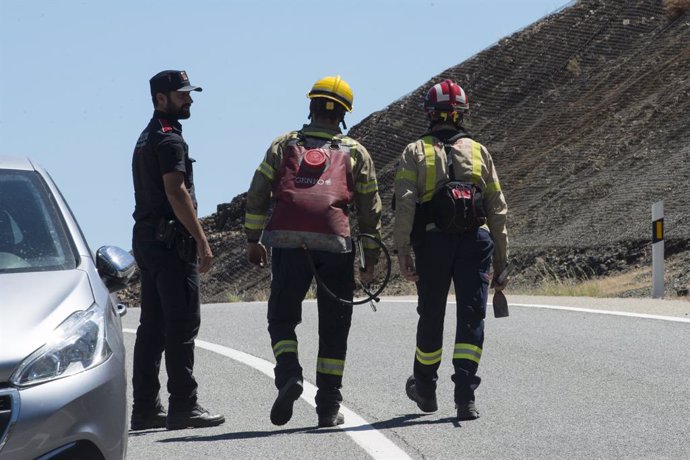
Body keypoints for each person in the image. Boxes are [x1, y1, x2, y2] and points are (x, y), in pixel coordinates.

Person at [244, 75, 382, 428]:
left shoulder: (283, 144)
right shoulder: (356, 152)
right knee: (334, 324)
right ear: (343, 115)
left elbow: (258, 190)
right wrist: (369, 257)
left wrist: (253, 238)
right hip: (335, 244)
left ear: (311, 106)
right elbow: (370, 209)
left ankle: (289, 373)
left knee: (281, 317)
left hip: (288, 242)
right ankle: (328, 407)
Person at [393, 79, 508, 421]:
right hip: (476, 241)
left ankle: (425, 389)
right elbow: (497, 208)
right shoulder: (479, 151)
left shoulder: (414, 152)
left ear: (430, 115)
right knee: (471, 316)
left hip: (433, 243)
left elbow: (405, 205)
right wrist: (502, 260)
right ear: (461, 115)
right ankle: (465, 397)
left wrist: (402, 252)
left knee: (431, 315)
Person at [130, 70, 225, 431]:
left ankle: (145, 409)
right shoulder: (169, 140)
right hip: (171, 243)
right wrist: (201, 240)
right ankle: (183, 405)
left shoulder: (147, 136)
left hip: (148, 238)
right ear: (160, 99)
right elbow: (176, 192)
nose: (189, 100)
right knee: (182, 323)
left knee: (152, 326)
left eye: (189, 93)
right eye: (181, 94)